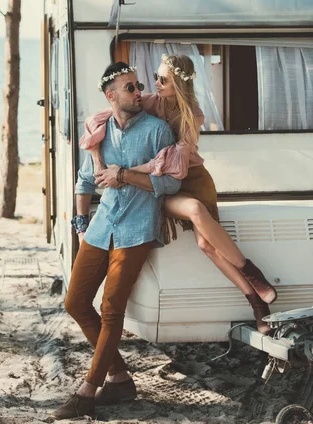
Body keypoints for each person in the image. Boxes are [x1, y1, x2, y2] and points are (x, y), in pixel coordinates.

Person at [80, 53, 277, 335]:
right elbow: (95, 123)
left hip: (191, 179)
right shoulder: (148, 102)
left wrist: (123, 171)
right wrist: (99, 162)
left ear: (179, 85)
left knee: (206, 244)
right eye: (155, 78)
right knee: (200, 225)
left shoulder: (192, 115)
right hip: (163, 182)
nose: (153, 84)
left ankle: (255, 294)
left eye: (163, 79)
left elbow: (174, 164)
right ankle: (254, 283)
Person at [51, 62, 181, 420]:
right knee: (75, 303)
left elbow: (171, 184)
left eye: (139, 86)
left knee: (111, 310)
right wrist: (80, 225)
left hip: (137, 229)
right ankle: (121, 378)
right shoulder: (99, 131)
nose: (139, 92)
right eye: (130, 87)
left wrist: (124, 176)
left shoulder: (158, 132)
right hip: (100, 226)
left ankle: (87, 391)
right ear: (111, 96)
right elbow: (85, 181)